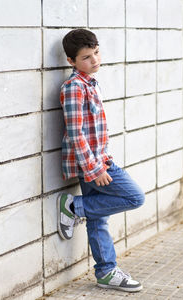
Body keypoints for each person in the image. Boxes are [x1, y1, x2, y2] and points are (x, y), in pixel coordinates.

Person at [58, 28, 145, 293]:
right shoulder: (74, 88)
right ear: (71, 61)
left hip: (99, 161)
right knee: (135, 197)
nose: (94, 60)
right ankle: (74, 207)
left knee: (99, 219)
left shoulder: (90, 83)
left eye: (96, 53)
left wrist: (101, 159)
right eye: (86, 57)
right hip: (93, 166)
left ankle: (106, 271)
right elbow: (76, 134)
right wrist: (95, 169)